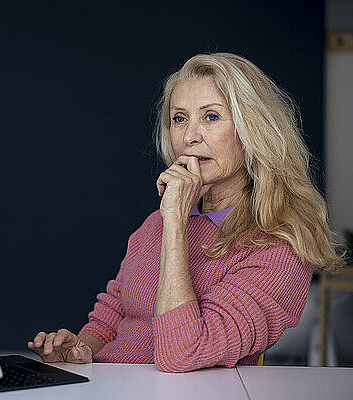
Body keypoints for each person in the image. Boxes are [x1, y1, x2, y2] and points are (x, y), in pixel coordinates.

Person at [27, 52, 346, 373]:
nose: (190, 136)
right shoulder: (155, 223)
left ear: (252, 130)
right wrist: (81, 348)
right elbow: (112, 313)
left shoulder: (279, 246)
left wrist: (176, 223)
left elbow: (185, 354)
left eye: (210, 117)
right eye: (180, 118)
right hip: (111, 387)